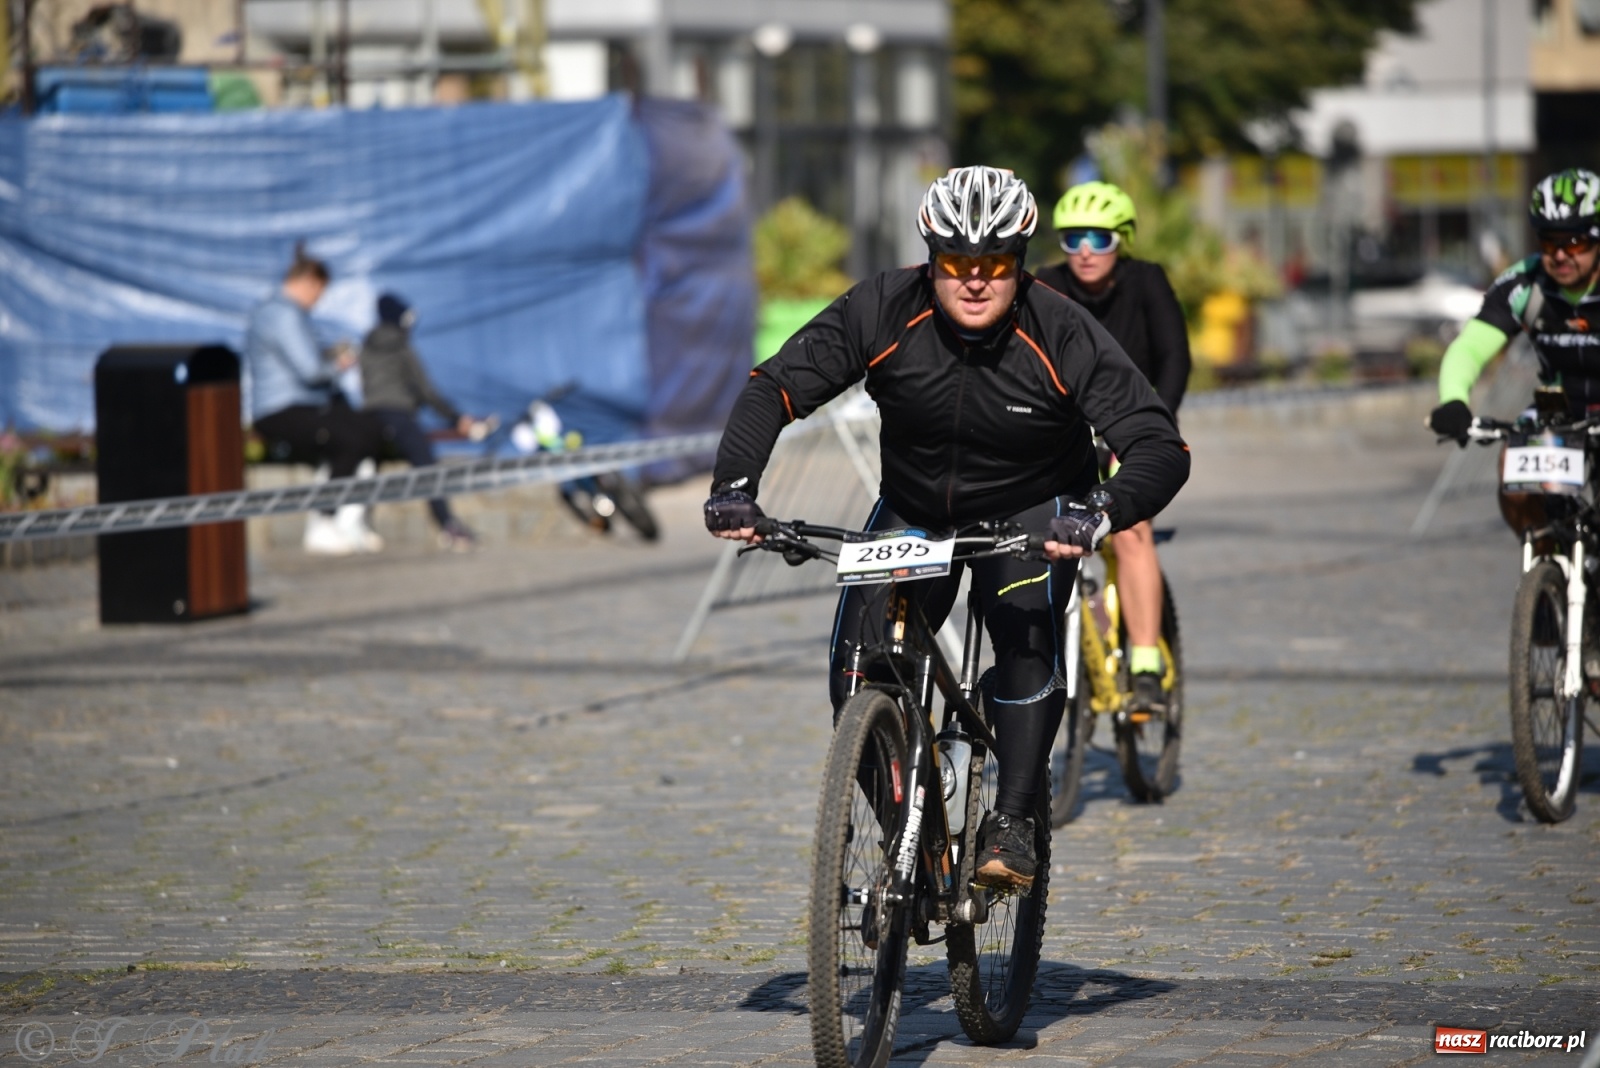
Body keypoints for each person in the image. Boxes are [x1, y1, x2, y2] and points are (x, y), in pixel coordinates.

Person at [704, 166, 1191, 889]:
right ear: (932, 259)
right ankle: (913, 839)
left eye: (994, 264)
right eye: (957, 263)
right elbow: (774, 387)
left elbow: (1159, 444)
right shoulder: (882, 307)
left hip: (1031, 509)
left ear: (1019, 264)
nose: (975, 280)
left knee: (1023, 646)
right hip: (917, 508)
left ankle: (1013, 821)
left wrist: (1100, 511)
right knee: (858, 669)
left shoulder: (1060, 328)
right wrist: (735, 488)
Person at [1034, 180, 1191, 715]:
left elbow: (1175, 360)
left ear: (1121, 240)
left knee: (1130, 531)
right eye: (1073, 237)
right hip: (1065, 433)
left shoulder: (1146, 282)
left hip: (1129, 429)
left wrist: (1152, 430)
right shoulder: (1046, 286)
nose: (1084, 250)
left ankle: (1145, 663)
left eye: (1099, 238)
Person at [1429, 168, 1600, 439]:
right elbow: (1469, 348)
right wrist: (1453, 400)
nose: (1559, 255)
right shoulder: (1523, 283)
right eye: (1549, 242)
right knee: (1516, 452)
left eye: (1574, 243)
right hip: (1557, 406)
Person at [244, 246, 388, 556]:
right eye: (319, 291)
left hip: (299, 405)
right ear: (309, 281)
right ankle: (324, 521)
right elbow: (310, 371)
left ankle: (349, 520)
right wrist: (339, 364)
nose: (318, 300)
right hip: (281, 410)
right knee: (351, 438)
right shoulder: (282, 314)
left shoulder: (284, 313)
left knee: (368, 429)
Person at [359, 294, 479, 551]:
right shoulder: (401, 347)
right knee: (426, 468)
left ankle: (359, 526)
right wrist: (455, 417)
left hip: (369, 415)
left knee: (367, 469)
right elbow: (425, 391)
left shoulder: (366, 346)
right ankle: (447, 525)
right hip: (399, 414)